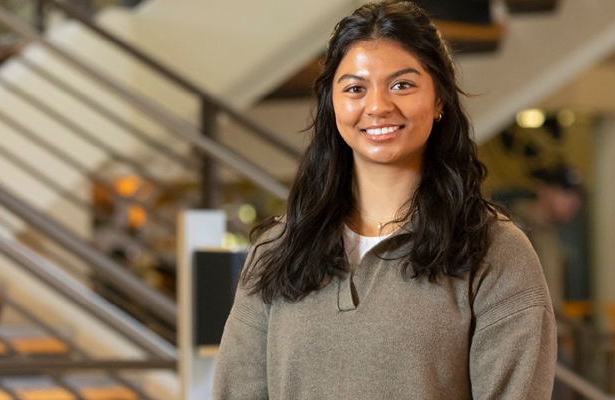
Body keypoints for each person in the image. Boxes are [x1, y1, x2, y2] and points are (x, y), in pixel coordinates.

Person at [213, 2, 556, 398]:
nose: (377, 107)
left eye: (402, 85)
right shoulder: (278, 249)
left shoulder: (496, 252)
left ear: (440, 99)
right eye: (355, 88)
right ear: (333, 106)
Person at [512, 164, 584, 309]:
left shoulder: (552, 233)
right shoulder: (518, 228)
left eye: (576, 195)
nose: (573, 201)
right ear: (543, 191)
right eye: (565, 192)